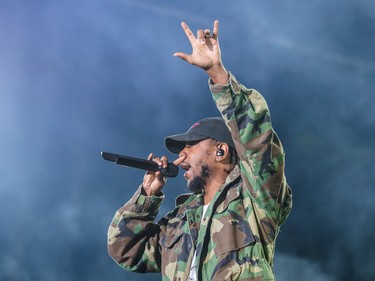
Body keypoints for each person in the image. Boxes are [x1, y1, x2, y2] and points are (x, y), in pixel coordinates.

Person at [107, 20, 292, 281]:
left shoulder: (254, 198)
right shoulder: (180, 221)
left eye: (190, 146)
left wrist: (217, 72)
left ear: (221, 152)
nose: (180, 156)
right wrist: (146, 196)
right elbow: (126, 250)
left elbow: (256, 139)